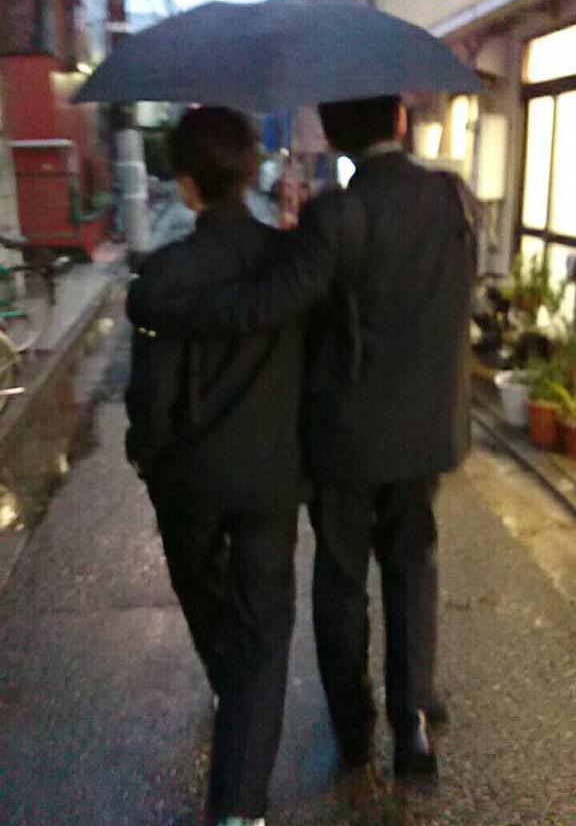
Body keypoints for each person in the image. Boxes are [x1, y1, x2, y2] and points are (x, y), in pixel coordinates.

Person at [128, 95, 477, 783]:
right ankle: (411, 722)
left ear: (335, 135)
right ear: (400, 122)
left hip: (344, 435)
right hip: (429, 425)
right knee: (414, 563)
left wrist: (158, 301)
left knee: (342, 579)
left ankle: (354, 730)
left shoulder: (336, 215)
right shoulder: (453, 198)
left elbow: (270, 304)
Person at [125, 107, 305, 826]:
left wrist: (147, 456)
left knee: (204, 594)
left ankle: (236, 697)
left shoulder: (167, 273)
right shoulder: (289, 264)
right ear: (253, 170)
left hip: (188, 478)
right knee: (264, 625)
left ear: (187, 185)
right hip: (269, 475)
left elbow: (151, 393)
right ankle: (238, 815)